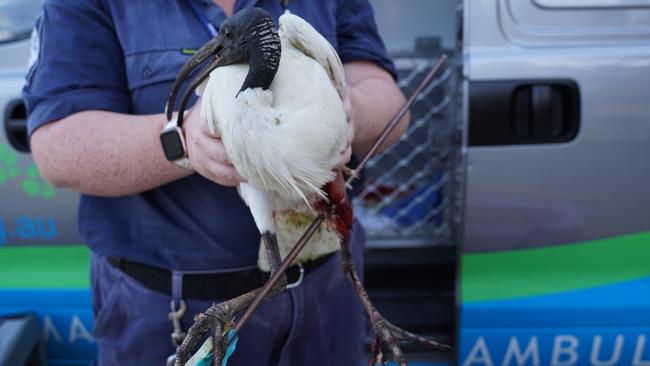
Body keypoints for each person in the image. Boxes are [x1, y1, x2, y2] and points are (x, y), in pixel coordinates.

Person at [23, 0, 409, 364]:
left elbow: (389, 99)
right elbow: (56, 149)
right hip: (171, 314)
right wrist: (181, 141)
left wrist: (347, 112)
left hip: (328, 297)